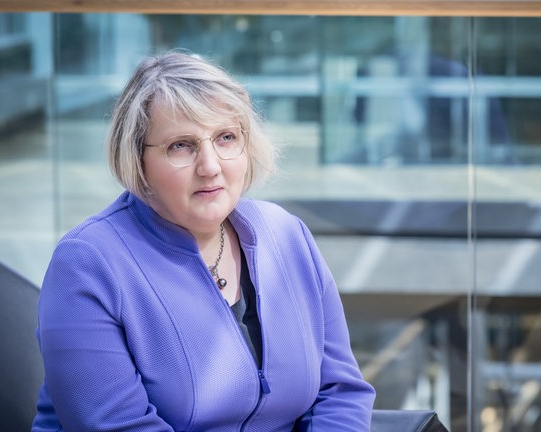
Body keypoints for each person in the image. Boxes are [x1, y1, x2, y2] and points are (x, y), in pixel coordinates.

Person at [31, 50, 376, 431]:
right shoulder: (87, 265)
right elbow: (117, 426)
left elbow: (340, 392)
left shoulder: (287, 234)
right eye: (182, 145)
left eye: (226, 138)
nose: (210, 166)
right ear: (136, 159)